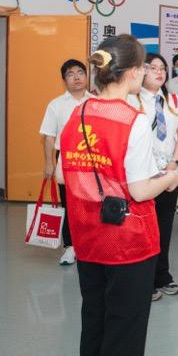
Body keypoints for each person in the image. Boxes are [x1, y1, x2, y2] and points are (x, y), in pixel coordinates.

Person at [60, 35, 178, 355]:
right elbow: (140, 190)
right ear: (133, 72)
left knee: (94, 318)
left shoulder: (79, 112)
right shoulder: (133, 120)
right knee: (125, 326)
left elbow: (61, 173)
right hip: (128, 241)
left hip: (87, 236)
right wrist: (172, 176)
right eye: (144, 68)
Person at [127, 53, 178, 301]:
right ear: (140, 71)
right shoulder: (131, 100)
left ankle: (162, 275)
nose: (159, 72)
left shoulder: (171, 101)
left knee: (164, 227)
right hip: (143, 177)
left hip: (169, 173)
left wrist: (174, 164)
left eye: (162, 68)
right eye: (153, 67)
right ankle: (144, 279)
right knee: (142, 229)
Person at [39, 59, 93, 266]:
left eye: (80, 72)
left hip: (93, 158)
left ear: (86, 76)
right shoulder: (56, 105)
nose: (76, 77)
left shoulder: (96, 101)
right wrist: (49, 163)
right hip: (67, 159)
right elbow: (49, 136)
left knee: (92, 203)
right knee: (69, 204)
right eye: (71, 74)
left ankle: (90, 244)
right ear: (64, 80)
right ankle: (70, 246)